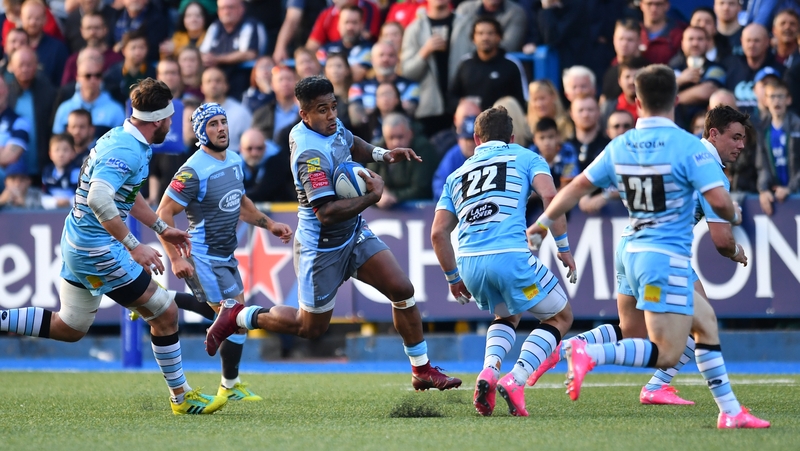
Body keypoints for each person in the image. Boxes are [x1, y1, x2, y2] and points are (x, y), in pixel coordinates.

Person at [527, 66, 770, 429]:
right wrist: (732, 212)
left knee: (702, 323)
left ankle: (730, 411)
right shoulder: (690, 148)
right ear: (675, 99)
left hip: (629, 250)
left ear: (636, 101)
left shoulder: (621, 144)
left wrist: (543, 223)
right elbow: (720, 204)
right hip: (664, 256)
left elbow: (576, 187)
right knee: (667, 351)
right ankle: (587, 352)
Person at [203, 76, 462, 392]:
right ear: (304, 115)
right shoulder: (309, 155)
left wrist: (383, 154)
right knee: (309, 327)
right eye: (322, 110)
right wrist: (372, 196)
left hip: (353, 233)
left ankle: (421, 370)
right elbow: (325, 213)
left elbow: (349, 141)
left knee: (402, 289)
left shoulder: (331, 126)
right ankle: (238, 315)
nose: (331, 115)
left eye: (333, 107)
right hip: (321, 248)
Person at [0, 78, 227, 415]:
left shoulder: (124, 138)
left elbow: (125, 196)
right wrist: (134, 245)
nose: (172, 123)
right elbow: (99, 198)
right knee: (165, 313)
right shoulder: (126, 149)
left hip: (79, 240)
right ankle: (182, 398)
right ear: (159, 120)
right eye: (171, 118)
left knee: (71, 327)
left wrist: (162, 228)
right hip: (97, 249)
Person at [430, 105, 577, 417]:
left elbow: (438, 233)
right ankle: (517, 378)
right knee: (561, 317)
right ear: (512, 137)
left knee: (508, 315)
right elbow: (552, 198)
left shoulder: (456, 174)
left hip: (469, 265)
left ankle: (489, 371)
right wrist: (562, 247)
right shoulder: (525, 156)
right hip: (510, 256)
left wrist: (453, 279)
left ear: (476, 138)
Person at [155, 102, 292, 402]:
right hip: (202, 254)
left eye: (223, 122)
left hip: (225, 254)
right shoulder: (191, 171)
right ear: (201, 132)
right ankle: (155, 300)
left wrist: (269, 224)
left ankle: (230, 385)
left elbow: (241, 203)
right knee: (232, 315)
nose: (221, 128)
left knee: (235, 322)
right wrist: (176, 257)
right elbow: (163, 212)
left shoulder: (233, 159)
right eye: (213, 124)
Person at [400, 0, 475, 135]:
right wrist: (425, 52)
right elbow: (407, 73)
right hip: (428, 110)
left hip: (463, 106)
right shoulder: (414, 29)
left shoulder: (467, 24)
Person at [449, 17, 527, 111]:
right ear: (473, 38)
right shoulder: (465, 64)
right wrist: (464, 104)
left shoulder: (511, 64)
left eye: (490, 33)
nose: (485, 38)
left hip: (503, 123)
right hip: (471, 123)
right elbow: (451, 98)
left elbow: (522, 100)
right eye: (480, 33)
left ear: (499, 37)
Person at [367, 112, 438, 208]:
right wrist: (378, 196)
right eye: (391, 138)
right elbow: (367, 181)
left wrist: (389, 196)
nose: (396, 142)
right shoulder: (377, 150)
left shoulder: (423, 149)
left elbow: (421, 190)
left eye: (400, 137)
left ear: (410, 133)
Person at [757, 78, 800, 215]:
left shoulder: (797, 126)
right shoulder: (762, 129)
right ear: (765, 101)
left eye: (781, 96)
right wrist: (763, 190)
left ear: (788, 100)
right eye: (772, 97)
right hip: (776, 195)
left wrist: (790, 188)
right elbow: (762, 165)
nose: (776, 101)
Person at [530, 118, 579, 189]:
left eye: (551, 137)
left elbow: (568, 186)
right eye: (542, 138)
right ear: (535, 140)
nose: (546, 142)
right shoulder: (530, 154)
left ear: (558, 137)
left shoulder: (568, 151)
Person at [41, 133, 80, 209]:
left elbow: (83, 197)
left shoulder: (77, 172)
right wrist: (55, 202)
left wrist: (69, 201)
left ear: (73, 153)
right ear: (50, 154)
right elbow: (44, 197)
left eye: (65, 150)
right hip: (51, 212)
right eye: (57, 150)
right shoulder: (47, 172)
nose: (61, 154)